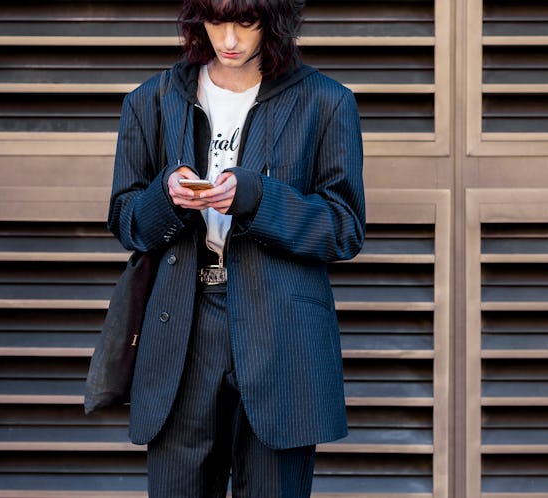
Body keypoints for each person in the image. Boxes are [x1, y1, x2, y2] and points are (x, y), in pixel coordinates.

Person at [107, 0, 365, 496]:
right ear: (196, 18)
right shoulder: (152, 100)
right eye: (216, 20)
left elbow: (344, 227)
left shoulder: (326, 102)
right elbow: (125, 220)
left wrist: (259, 199)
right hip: (181, 328)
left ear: (274, 19)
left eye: (245, 22)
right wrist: (166, 197)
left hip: (282, 332)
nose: (229, 39)